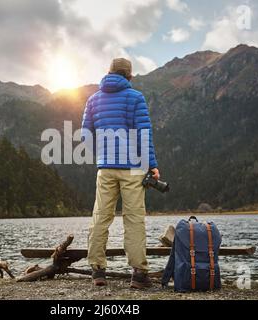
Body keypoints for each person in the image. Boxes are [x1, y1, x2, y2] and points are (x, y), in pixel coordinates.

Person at [81, 58, 160, 289]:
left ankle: (97, 271)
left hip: (105, 167)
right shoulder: (136, 97)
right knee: (134, 219)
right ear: (129, 76)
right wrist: (152, 164)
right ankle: (139, 275)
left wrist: (102, 152)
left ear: (109, 73)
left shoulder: (93, 99)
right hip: (133, 167)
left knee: (101, 216)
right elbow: (144, 134)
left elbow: (85, 133)